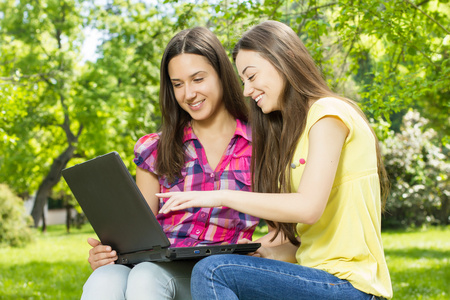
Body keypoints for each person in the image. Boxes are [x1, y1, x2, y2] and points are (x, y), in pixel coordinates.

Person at [158, 20, 393, 300]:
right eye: (243, 80)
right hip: (314, 275)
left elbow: (308, 208)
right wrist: (261, 251)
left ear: (282, 61)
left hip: (349, 284)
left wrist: (221, 196)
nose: (246, 90)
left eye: (252, 76)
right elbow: (305, 237)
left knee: (213, 271)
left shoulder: (329, 113)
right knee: (223, 266)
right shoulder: (294, 136)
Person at [80, 26, 277, 300]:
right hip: (157, 263)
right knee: (105, 277)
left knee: (146, 277)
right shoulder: (155, 149)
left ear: (221, 74)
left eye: (198, 79)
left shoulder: (261, 144)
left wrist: (259, 248)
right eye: (177, 84)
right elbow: (139, 237)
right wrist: (109, 253)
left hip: (214, 272)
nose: (188, 94)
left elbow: (282, 233)